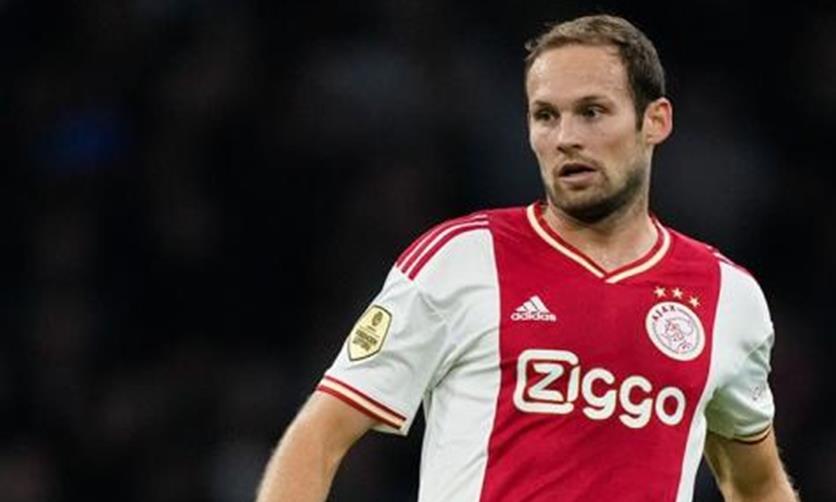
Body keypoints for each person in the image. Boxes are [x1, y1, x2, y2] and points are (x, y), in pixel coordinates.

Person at [256, 14, 799, 501]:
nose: (566, 138)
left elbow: (756, 484)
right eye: (546, 116)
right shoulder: (461, 260)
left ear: (655, 121)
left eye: (592, 112)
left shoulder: (728, 297)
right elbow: (319, 438)